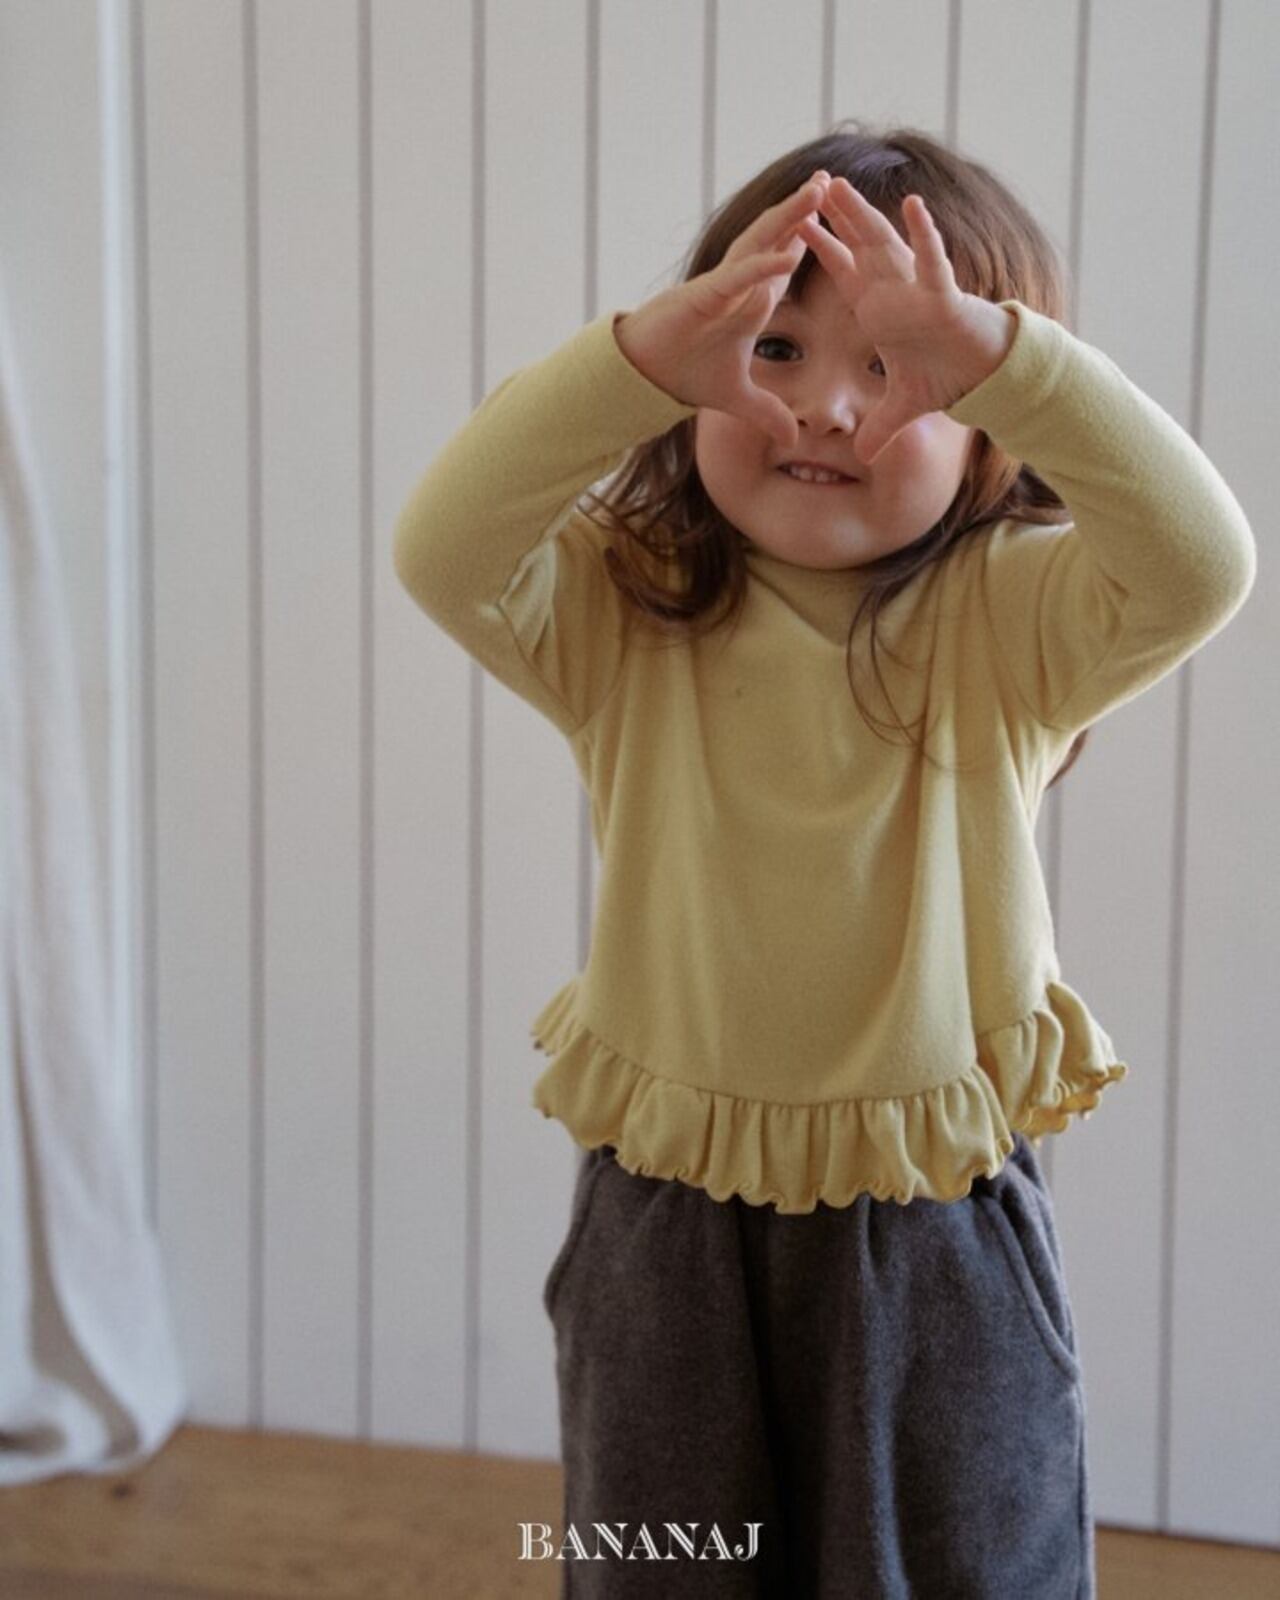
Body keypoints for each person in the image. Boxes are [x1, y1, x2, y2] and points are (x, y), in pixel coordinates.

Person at [392, 122, 1256, 1599]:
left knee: (965, 1571)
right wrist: (634, 362)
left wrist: (1008, 360)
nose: (827, 409)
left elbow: (1203, 563)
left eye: (900, 366)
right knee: (665, 1566)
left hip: (931, 1232)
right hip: (665, 1221)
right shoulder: (623, 608)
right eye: (777, 349)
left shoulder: (1016, 620)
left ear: (988, 424)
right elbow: (443, 546)